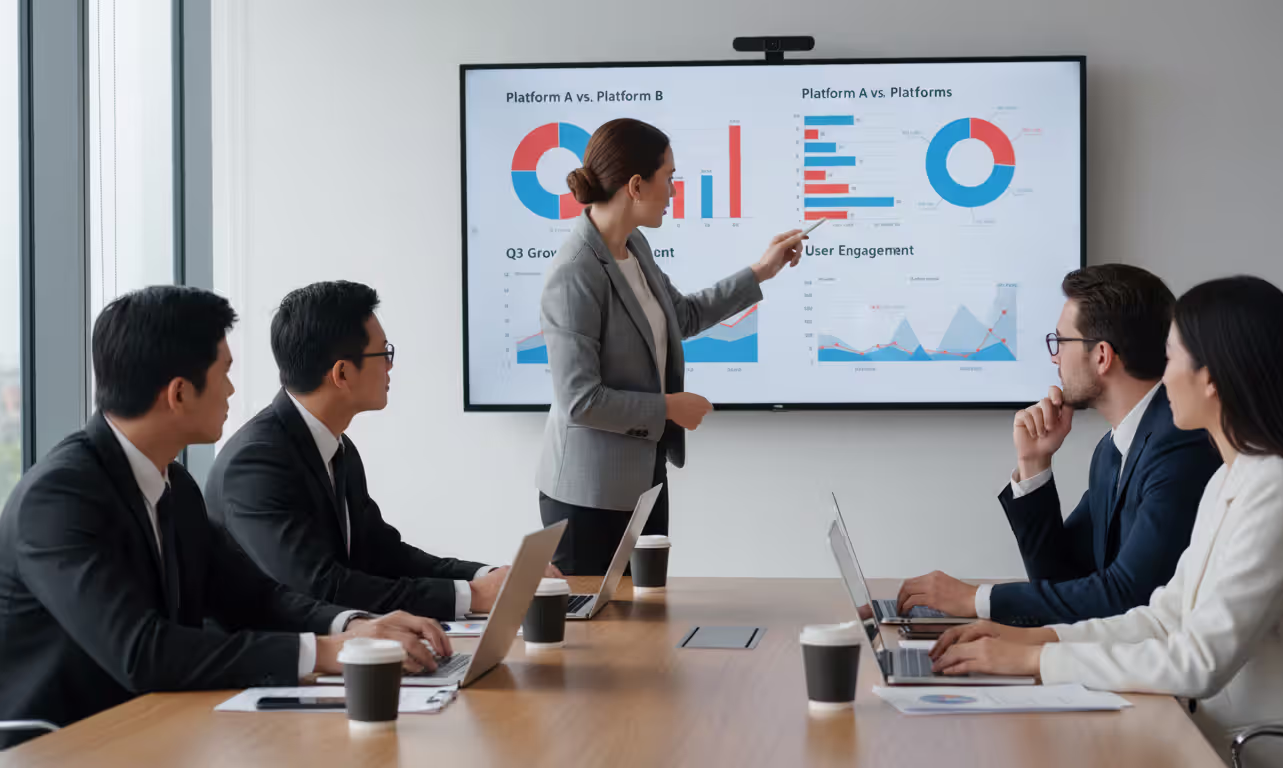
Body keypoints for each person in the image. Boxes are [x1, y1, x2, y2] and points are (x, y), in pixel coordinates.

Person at [0, 287, 450, 746]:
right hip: (62, 744)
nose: (232, 389)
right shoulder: (57, 499)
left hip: (154, 728)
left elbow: (254, 598)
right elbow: (142, 650)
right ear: (178, 393)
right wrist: (328, 652)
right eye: (224, 374)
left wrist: (353, 627)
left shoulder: (175, 486)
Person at [930, 276, 1283, 767]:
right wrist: (1032, 638)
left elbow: (1199, 661)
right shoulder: (1232, 479)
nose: (1162, 378)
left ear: (1211, 378)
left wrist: (1034, 659)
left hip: (1261, 750)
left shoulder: (1276, 487)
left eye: (1172, 360)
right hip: (1208, 733)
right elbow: (1162, 616)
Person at [536, 118, 807, 574]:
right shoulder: (575, 273)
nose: (675, 192)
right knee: (597, 637)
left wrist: (762, 270)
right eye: (670, 179)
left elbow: (682, 315)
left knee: (646, 626)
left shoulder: (633, 245)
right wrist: (667, 408)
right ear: (637, 185)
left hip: (645, 480)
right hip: (588, 498)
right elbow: (580, 401)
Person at [207, 281, 557, 620]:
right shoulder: (255, 462)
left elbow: (385, 555)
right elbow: (318, 585)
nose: (390, 366)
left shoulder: (337, 447)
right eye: (384, 354)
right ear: (342, 373)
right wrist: (475, 596)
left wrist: (488, 576)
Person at [898, 265, 1221, 625]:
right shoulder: (1112, 450)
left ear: (1101, 355)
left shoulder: (1180, 447)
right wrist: (1034, 463)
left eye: (1060, 342)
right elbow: (1062, 580)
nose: (1054, 358)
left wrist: (976, 599)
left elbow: (1130, 596)